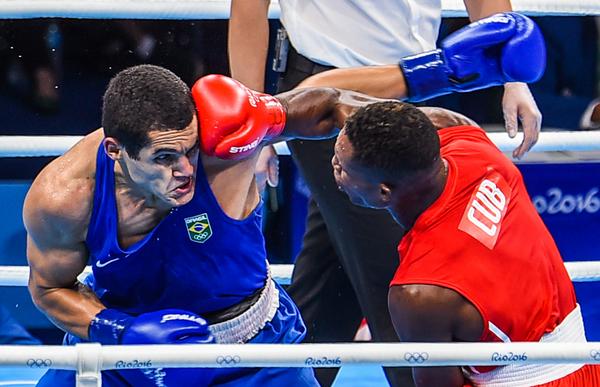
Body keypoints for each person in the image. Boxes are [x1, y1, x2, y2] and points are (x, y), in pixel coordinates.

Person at [228, 2, 542, 385]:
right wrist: (255, 119)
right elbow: (247, 9)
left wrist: (512, 77)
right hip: (331, 90)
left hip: (426, 82)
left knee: (331, 274)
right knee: (401, 276)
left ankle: (290, 379)